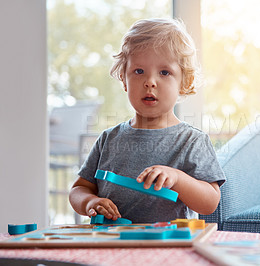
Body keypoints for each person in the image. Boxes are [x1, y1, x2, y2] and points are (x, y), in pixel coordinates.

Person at [69, 18, 226, 223]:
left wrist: (177, 179)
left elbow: (210, 202)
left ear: (184, 82)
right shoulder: (108, 139)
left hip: (167, 246)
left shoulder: (192, 141)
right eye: (138, 71)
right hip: (110, 243)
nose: (150, 82)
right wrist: (89, 202)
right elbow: (79, 189)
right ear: (124, 79)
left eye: (164, 72)